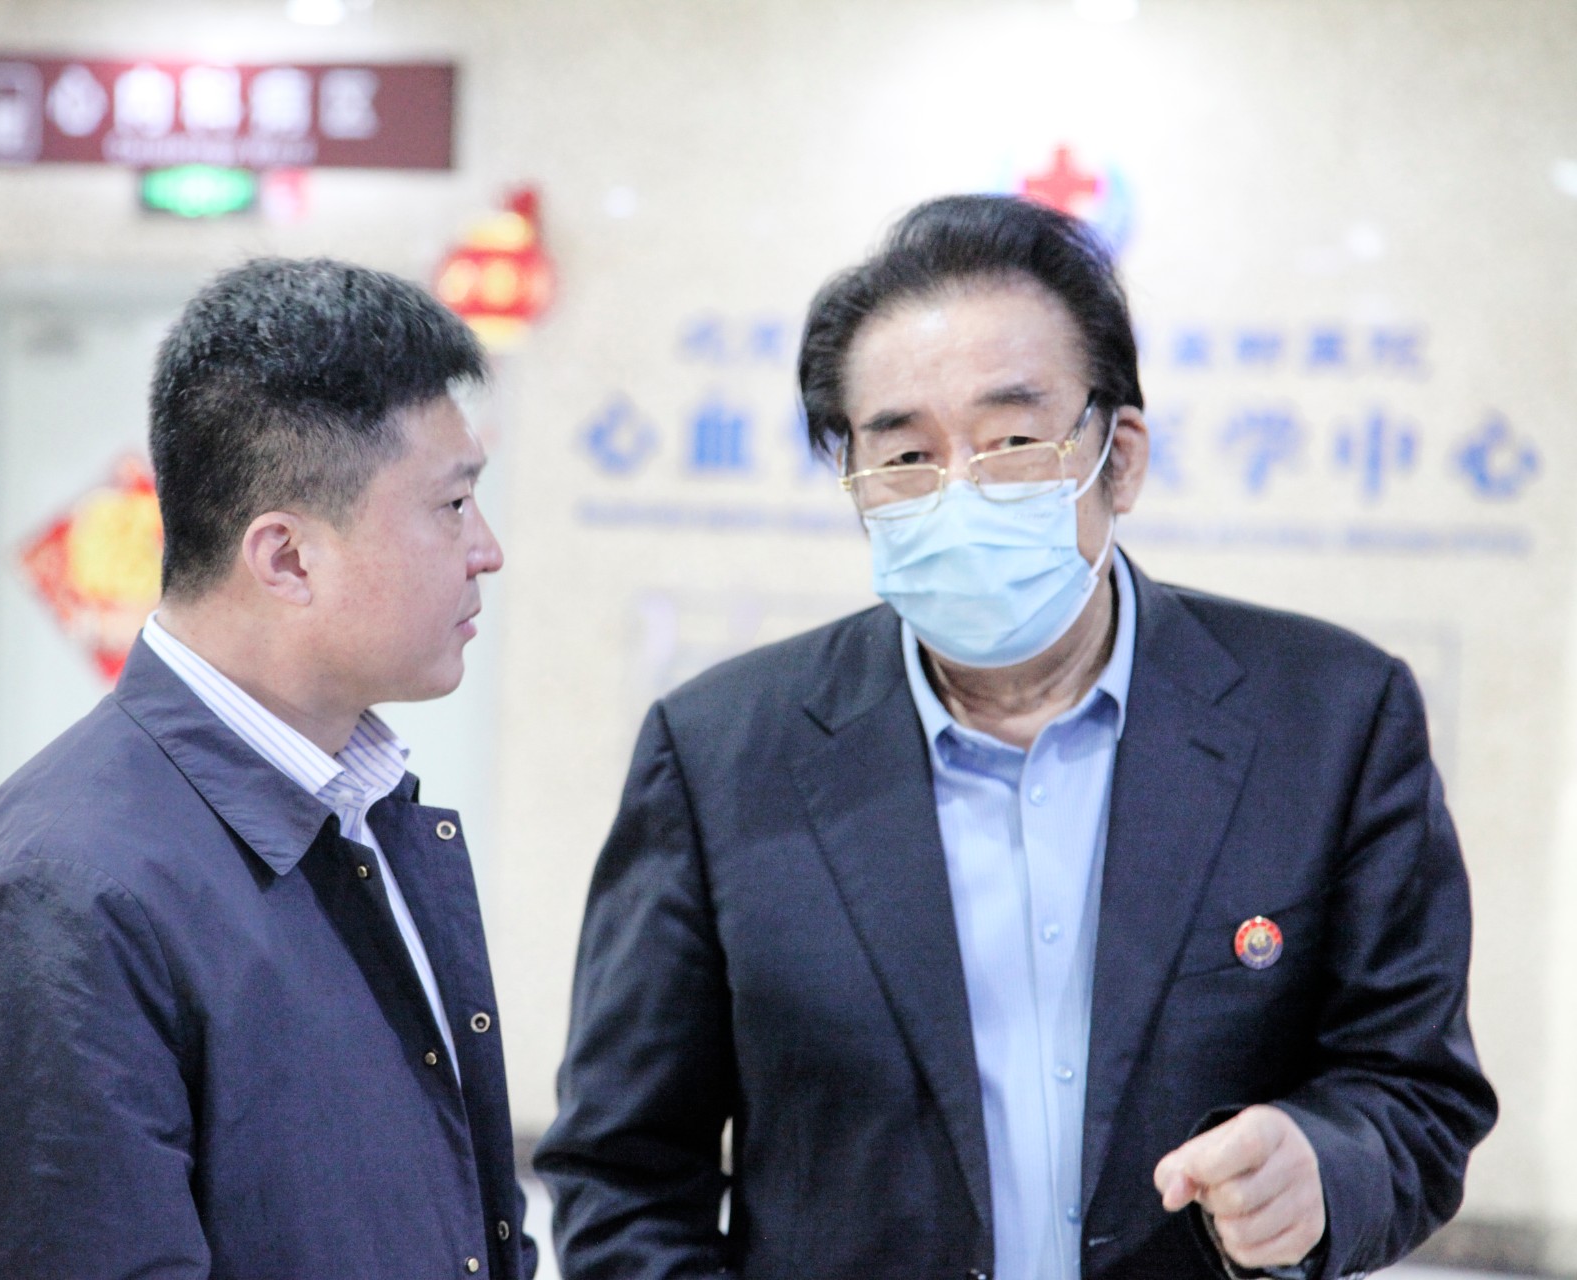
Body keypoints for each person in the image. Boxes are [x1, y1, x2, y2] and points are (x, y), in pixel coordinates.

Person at [534, 195, 1496, 1279]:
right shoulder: (718, 753)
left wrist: (1325, 1168)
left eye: (1014, 442)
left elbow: (1416, 1088)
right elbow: (624, 1173)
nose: (960, 493)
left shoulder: (1330, 719)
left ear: (1119, 458)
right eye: (905, 454)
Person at [0, 258, 534, 1280]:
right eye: (452, 504)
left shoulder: (363, 813)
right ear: (285, 558)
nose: (487, 549)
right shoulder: (63, 894)